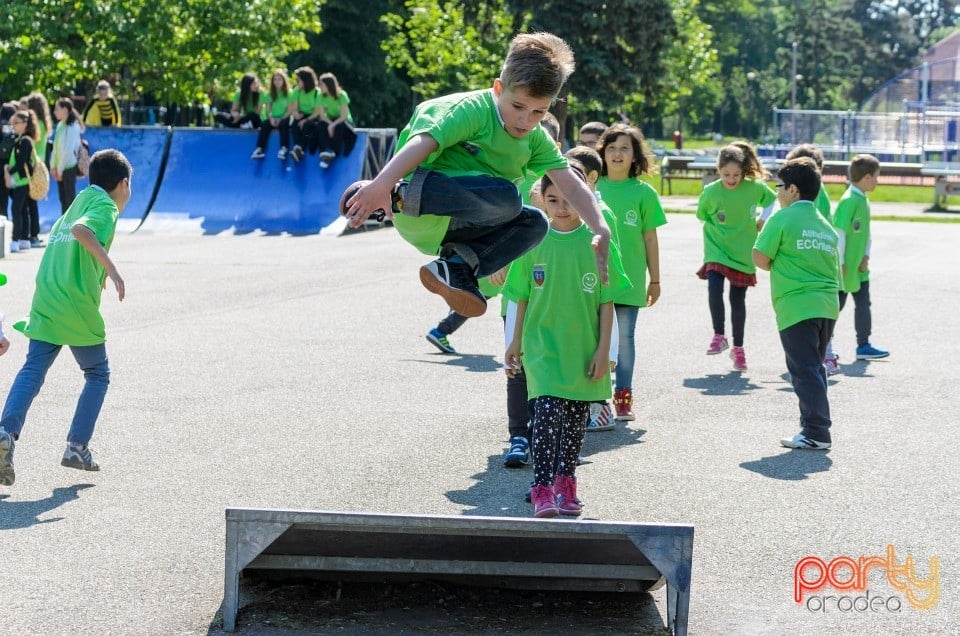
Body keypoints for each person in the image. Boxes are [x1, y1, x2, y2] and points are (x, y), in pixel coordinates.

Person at [340, 32, 612, 323]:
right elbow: (423, 142)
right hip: (414, 203)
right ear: (498, 89)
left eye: (539, 112)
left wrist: (600, 227)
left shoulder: (536, 139)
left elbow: (569, 182)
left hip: (446, 232)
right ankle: (398, 195)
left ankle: (455, 266)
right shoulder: (471, 109)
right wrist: (381, 187)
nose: (526, 121)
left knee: (534, 222)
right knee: (508, 197)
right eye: (518, 107)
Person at [0, 149, 130, 487]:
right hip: (74, 304)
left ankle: (5, 434)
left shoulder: (81, 198)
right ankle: (76, 446)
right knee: (97, 374)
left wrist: (98, 268)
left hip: (46, 296)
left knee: (32, 370)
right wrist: (112, 270)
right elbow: (81, 232)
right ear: (123, 184)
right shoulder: (103, 208)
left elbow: (73, 232)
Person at [502, 169, 629, 517]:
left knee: (574, 419)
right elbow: (521, 296)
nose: (561, 207)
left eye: (569, 200)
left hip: (582, 348)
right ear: (542, 199)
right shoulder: (533, 240)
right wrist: (514, 341)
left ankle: (566, 483)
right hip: (541, 346)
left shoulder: (598, 242)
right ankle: (541, 487)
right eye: (553, 199)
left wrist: (605, 350)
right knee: (545, 413)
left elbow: (607, 301)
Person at [753, 157, 839, 450]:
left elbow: (760, 258)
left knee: (803, 370)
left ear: (792, 190)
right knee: (815, 367)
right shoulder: (824, 225)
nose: (777, 192)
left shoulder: (782, 217)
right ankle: (816, 427)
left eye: (779, 186)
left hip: (796, 305)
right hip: (827, 306)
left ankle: (816, 431)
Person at [596, 123, 666, 421]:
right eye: (611, 147)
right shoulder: (591, 187)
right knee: (593, 339)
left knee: (625, 338)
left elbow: (650, 238)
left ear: (635, 155)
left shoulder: (644, 193)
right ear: (602, 152)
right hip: (593, 279)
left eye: (624, 148)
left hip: (630, 280)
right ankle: (595, 399)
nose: (617, 153)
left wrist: (656, 280)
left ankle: (623, 397)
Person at [695, 141, 776, 371]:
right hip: (717, 250)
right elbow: (702, 216)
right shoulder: (711, 192)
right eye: (726, 174)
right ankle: (719, 334)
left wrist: (763, 220)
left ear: (743, 172)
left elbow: (772, 201)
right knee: (714, 286)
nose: (731, 179)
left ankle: (738, 348)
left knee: (737, 301)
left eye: (736, 175)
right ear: (718, 170)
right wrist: (719, 228)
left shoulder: (753, 188)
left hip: (743, 253)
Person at [768, 143, 840, 373]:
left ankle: (827, 356)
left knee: (812, 323)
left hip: (805, 274)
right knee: (818, 318)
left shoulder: (792, 213)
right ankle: (824, 357)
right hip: (819, 279)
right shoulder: (814, 200)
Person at [832, 154, 889, 361]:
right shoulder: (849, 200)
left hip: (859, 267)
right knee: (835, 307)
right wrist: (841, 263)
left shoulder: (863, 199)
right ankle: (823, 345)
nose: (877, 181)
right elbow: (839, 234)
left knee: (864, 304)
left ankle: (863, 345)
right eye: (876, 176)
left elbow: (866, 233)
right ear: (866, 177)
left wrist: (866, 256)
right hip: (845, 268)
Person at [3, 110, 39, 253]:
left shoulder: (25, 141)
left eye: (16, 123)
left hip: (22, 180)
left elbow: (21, 163)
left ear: (25, 124)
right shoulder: (19, 139)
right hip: (19, 181)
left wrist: (8, 171)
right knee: (23, 210)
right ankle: (24, 239)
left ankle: (16, 240)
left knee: (16, 209)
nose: (13, 126)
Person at [26, 92, 53, 247]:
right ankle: (33, 233)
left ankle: (33, 234)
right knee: (32, 201)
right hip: (41, 163)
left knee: (30, 201)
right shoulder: (43, 123)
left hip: (35, 164)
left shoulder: (37, 125)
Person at [316, 72, 357, 169]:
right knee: (321, 125)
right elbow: (322, 116)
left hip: (345, 121)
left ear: (328, 85)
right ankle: (325, 150)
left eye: (321, 84)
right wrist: (330, 124)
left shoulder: (342, 95)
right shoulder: (320, 96)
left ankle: (334, 151)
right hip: (331, 120)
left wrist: (332, 125)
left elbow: (343, 116)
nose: (319, 87)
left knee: (339, 126)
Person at [51, 97, 84, 214]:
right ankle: (64, 226)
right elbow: (55, 148)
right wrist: (53, 166)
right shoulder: (60, 125)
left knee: (69, 199)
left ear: (65, 110)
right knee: (62, 199)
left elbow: (68, 151)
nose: (54, 112)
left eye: (57, 109)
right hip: (60, 168)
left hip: (69, 167)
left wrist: (59, 170)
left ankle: (71, 227)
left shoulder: (73, 127)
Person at [251, 70, 292, 159]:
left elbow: (289, 111)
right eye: (275, 80)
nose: (277, 82)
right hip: (273, 118)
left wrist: (281, 119)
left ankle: (284, 148)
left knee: (284, 124)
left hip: (284, 118)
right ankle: (259, 149)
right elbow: (268, 111)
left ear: (284, 81)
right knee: (264, 124)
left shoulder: (289, 93)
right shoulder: (270, 94)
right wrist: (271, 118)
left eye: (279, 79)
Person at [286, 67, 322, 163]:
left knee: (307, 125)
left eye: (298, 80)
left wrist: (305, 120)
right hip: (302, 115)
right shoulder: (297, 91)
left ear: (305, 80)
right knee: (295, 123)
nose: (296, 82)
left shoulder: (317, 92)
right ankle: (298, 147)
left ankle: (300, 148)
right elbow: (293, 108)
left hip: (314, 117)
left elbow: (317, 112)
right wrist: (295, 114)